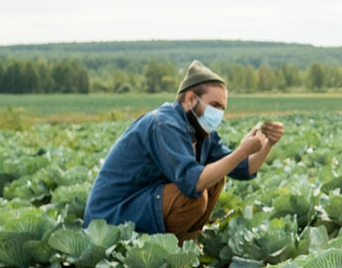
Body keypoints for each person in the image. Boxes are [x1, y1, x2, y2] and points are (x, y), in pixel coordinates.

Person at [83, 60, 284, 242]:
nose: (219, 113)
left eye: (222, 108)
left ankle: (185, 246)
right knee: (194, 197)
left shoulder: (202, 131)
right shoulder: (164, 123)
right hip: (111, 216)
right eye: (214, 105)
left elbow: (244, 169)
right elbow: (192, 183)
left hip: (143, 204)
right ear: (190, 98)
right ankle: (169, 249)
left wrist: (268, 144)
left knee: (216, 180)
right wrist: (241, 151)